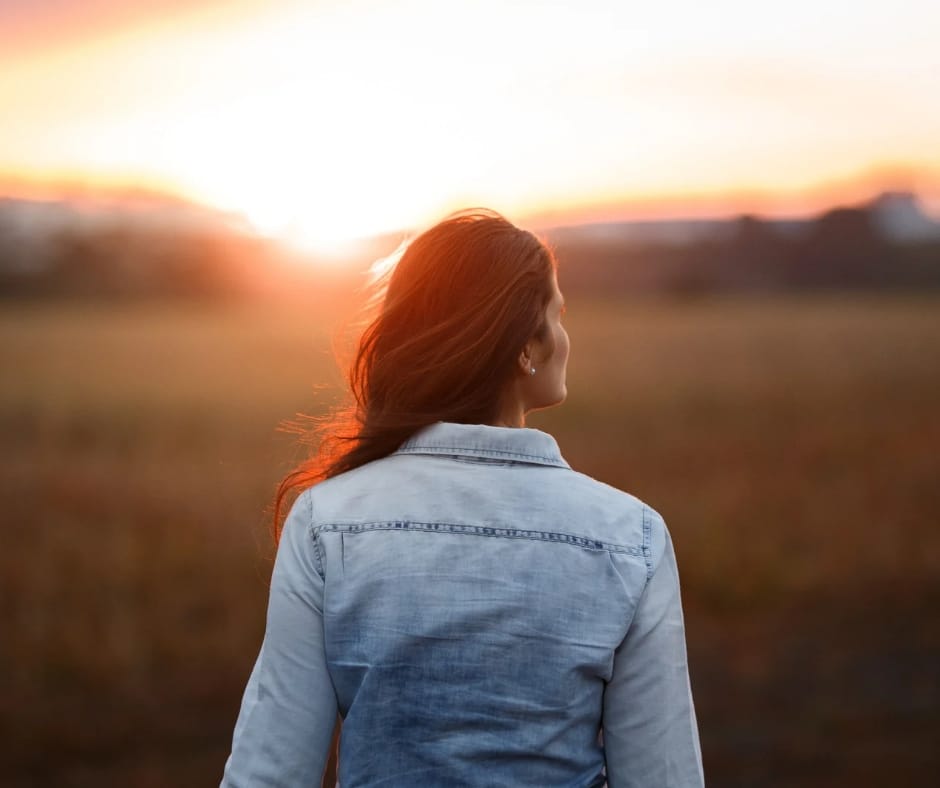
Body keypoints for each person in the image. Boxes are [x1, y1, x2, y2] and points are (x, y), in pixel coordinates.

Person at [220, 209, 704, 787]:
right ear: (529, 343)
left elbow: (270, 772)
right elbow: (664, 777)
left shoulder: (328, 523)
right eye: (559, 314)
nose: (565, 337)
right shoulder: (631, 536)